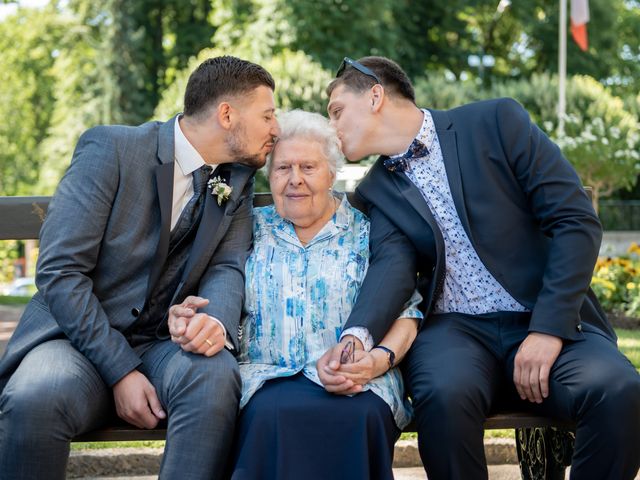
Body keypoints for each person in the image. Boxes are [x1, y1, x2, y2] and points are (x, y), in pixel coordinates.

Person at [317, 56, 640, 480]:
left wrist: (547, 328)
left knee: (619, 391)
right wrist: (357, 336)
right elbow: (391, 269)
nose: (332, 128)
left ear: (375, 94)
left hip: (545, 317)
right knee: (443, 396)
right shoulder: (375, 189)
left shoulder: (496, 122)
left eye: (337, 111)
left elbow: (574, 221)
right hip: (454, 331)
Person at [0, 55, 280, 479]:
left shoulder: (237, 178)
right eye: (267, 115)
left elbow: (227, 267)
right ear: (227, 114)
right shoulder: (111, 149)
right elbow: (61, 271)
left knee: (214, 376)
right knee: (36, 396)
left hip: (165, 345)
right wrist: (120, 370)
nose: (276, 129)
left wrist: (214, 325)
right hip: (76, 342)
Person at [176, 110, 421, 479]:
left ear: (332, 172)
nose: (295, 180)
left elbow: (407, 313)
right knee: (270, 415)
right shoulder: (248, 230)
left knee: (361, 415)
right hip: (268, 379)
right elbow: (214, 291)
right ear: (269, 176)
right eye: (282, 168)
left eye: (308, 167)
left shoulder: (367, 232)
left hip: (359, 381)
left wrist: (377, 362)